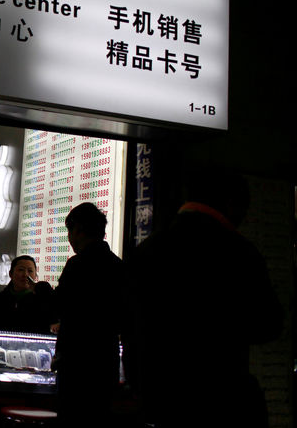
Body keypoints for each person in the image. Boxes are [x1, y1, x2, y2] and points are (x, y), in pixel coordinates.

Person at [124, 170, 283, 428]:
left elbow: (128, 327)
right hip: (222, 406)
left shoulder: (148, 249)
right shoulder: (238, 252)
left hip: (161, 404)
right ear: (231, 203)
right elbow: (269, 324)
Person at [53, 202, 127, 428]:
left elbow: (60, 304)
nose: (70, 238)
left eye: (70, 231)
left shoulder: (78, 264)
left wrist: (44, 292)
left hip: (76, 364)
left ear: (78, 230)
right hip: (106, 362)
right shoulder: (118, 265)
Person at [0, 255, 56, 334]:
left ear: (36, 275)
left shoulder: (43, 299)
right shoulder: (0, 299)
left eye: (30, 271)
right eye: (20, 270)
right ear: (10, 274)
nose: (25, 274)